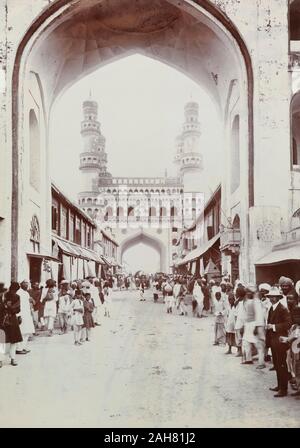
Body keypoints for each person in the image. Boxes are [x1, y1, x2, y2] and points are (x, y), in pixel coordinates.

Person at [266, 286, 292, 398]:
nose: (270, 299)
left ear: (277, 298)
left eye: (272, 297)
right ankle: (279, 385)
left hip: (280, 341)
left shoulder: (282, 309)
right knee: (277, 364)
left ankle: (284, 389)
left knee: (281, 365)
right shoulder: (272, 308)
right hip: (273, 340)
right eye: (270, 297)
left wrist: (274, 327)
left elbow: (288, 324)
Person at [241, 285, 265, 368]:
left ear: (253, 293)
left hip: (255, 324)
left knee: (258, 345)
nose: (248, 293)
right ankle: (248, 359)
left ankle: (261, 363)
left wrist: (257, 327)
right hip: (247, 325)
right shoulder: (246, 301)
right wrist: (243, 325)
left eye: (250, 292)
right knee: (245, 342)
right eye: (247, 292)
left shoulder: (257, 302)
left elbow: (259, 315)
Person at [0, 282, 23, 366]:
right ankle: (13, 359)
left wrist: (6, 307)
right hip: (12, 320)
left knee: (1, 340)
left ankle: (0, 361)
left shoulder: (3, 296)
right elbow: (18, 310)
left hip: (2, 320)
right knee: (13, 341)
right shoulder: (17, 297)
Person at [16, 280, 35, 354]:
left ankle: (23, 347)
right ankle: (18, 349)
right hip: (21, 314)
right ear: (21, 284)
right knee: (21, 332)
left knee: (27, 332)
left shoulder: (26, 293)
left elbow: (30, 303)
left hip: (27, 314)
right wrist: (18, 315)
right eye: (25, 284)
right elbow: (17, 305)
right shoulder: (18, 293)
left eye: (27, 284)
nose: (26, 285)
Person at [234, 286, 246, 357]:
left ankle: (242, 351)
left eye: (236, 293)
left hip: (242, 322)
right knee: (238, 336)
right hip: (238, 320)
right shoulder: (237, 301)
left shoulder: (244, 302)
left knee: (242, 337)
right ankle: (239, 350)